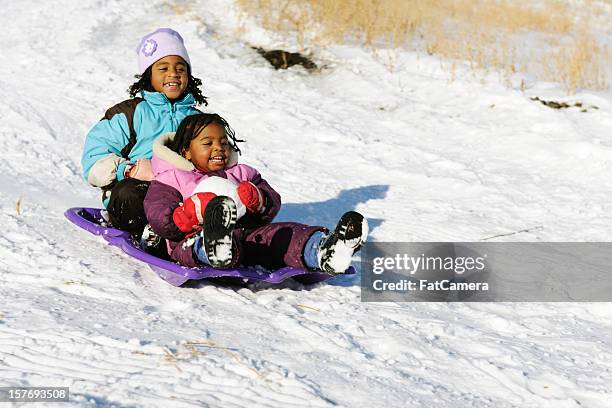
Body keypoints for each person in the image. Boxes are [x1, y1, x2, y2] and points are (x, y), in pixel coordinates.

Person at [143, 113, 368, 274]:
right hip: (188, 240)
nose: (219, 148)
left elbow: (272, 202)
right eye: (207, 143)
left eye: (223, 142)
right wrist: (189, 214)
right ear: (186, 152)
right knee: (194, 246)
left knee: (284, 235)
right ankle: (215, 248)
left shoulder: (241, 173)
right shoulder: (173, 178)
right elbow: (159, 215)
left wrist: (259, 200)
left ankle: (324, 251)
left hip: (247, 235)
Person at [81, 28, 206, 240]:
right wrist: (129, 170)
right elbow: (94, 158)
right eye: (163, 68)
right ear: (149, 74)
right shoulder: (130, 113)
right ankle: (151, 234)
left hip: (183, 193)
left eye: (180, 68)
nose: (173, 73)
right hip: (141, 189)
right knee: (129, 194)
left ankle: (211, 239)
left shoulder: (199, 121)